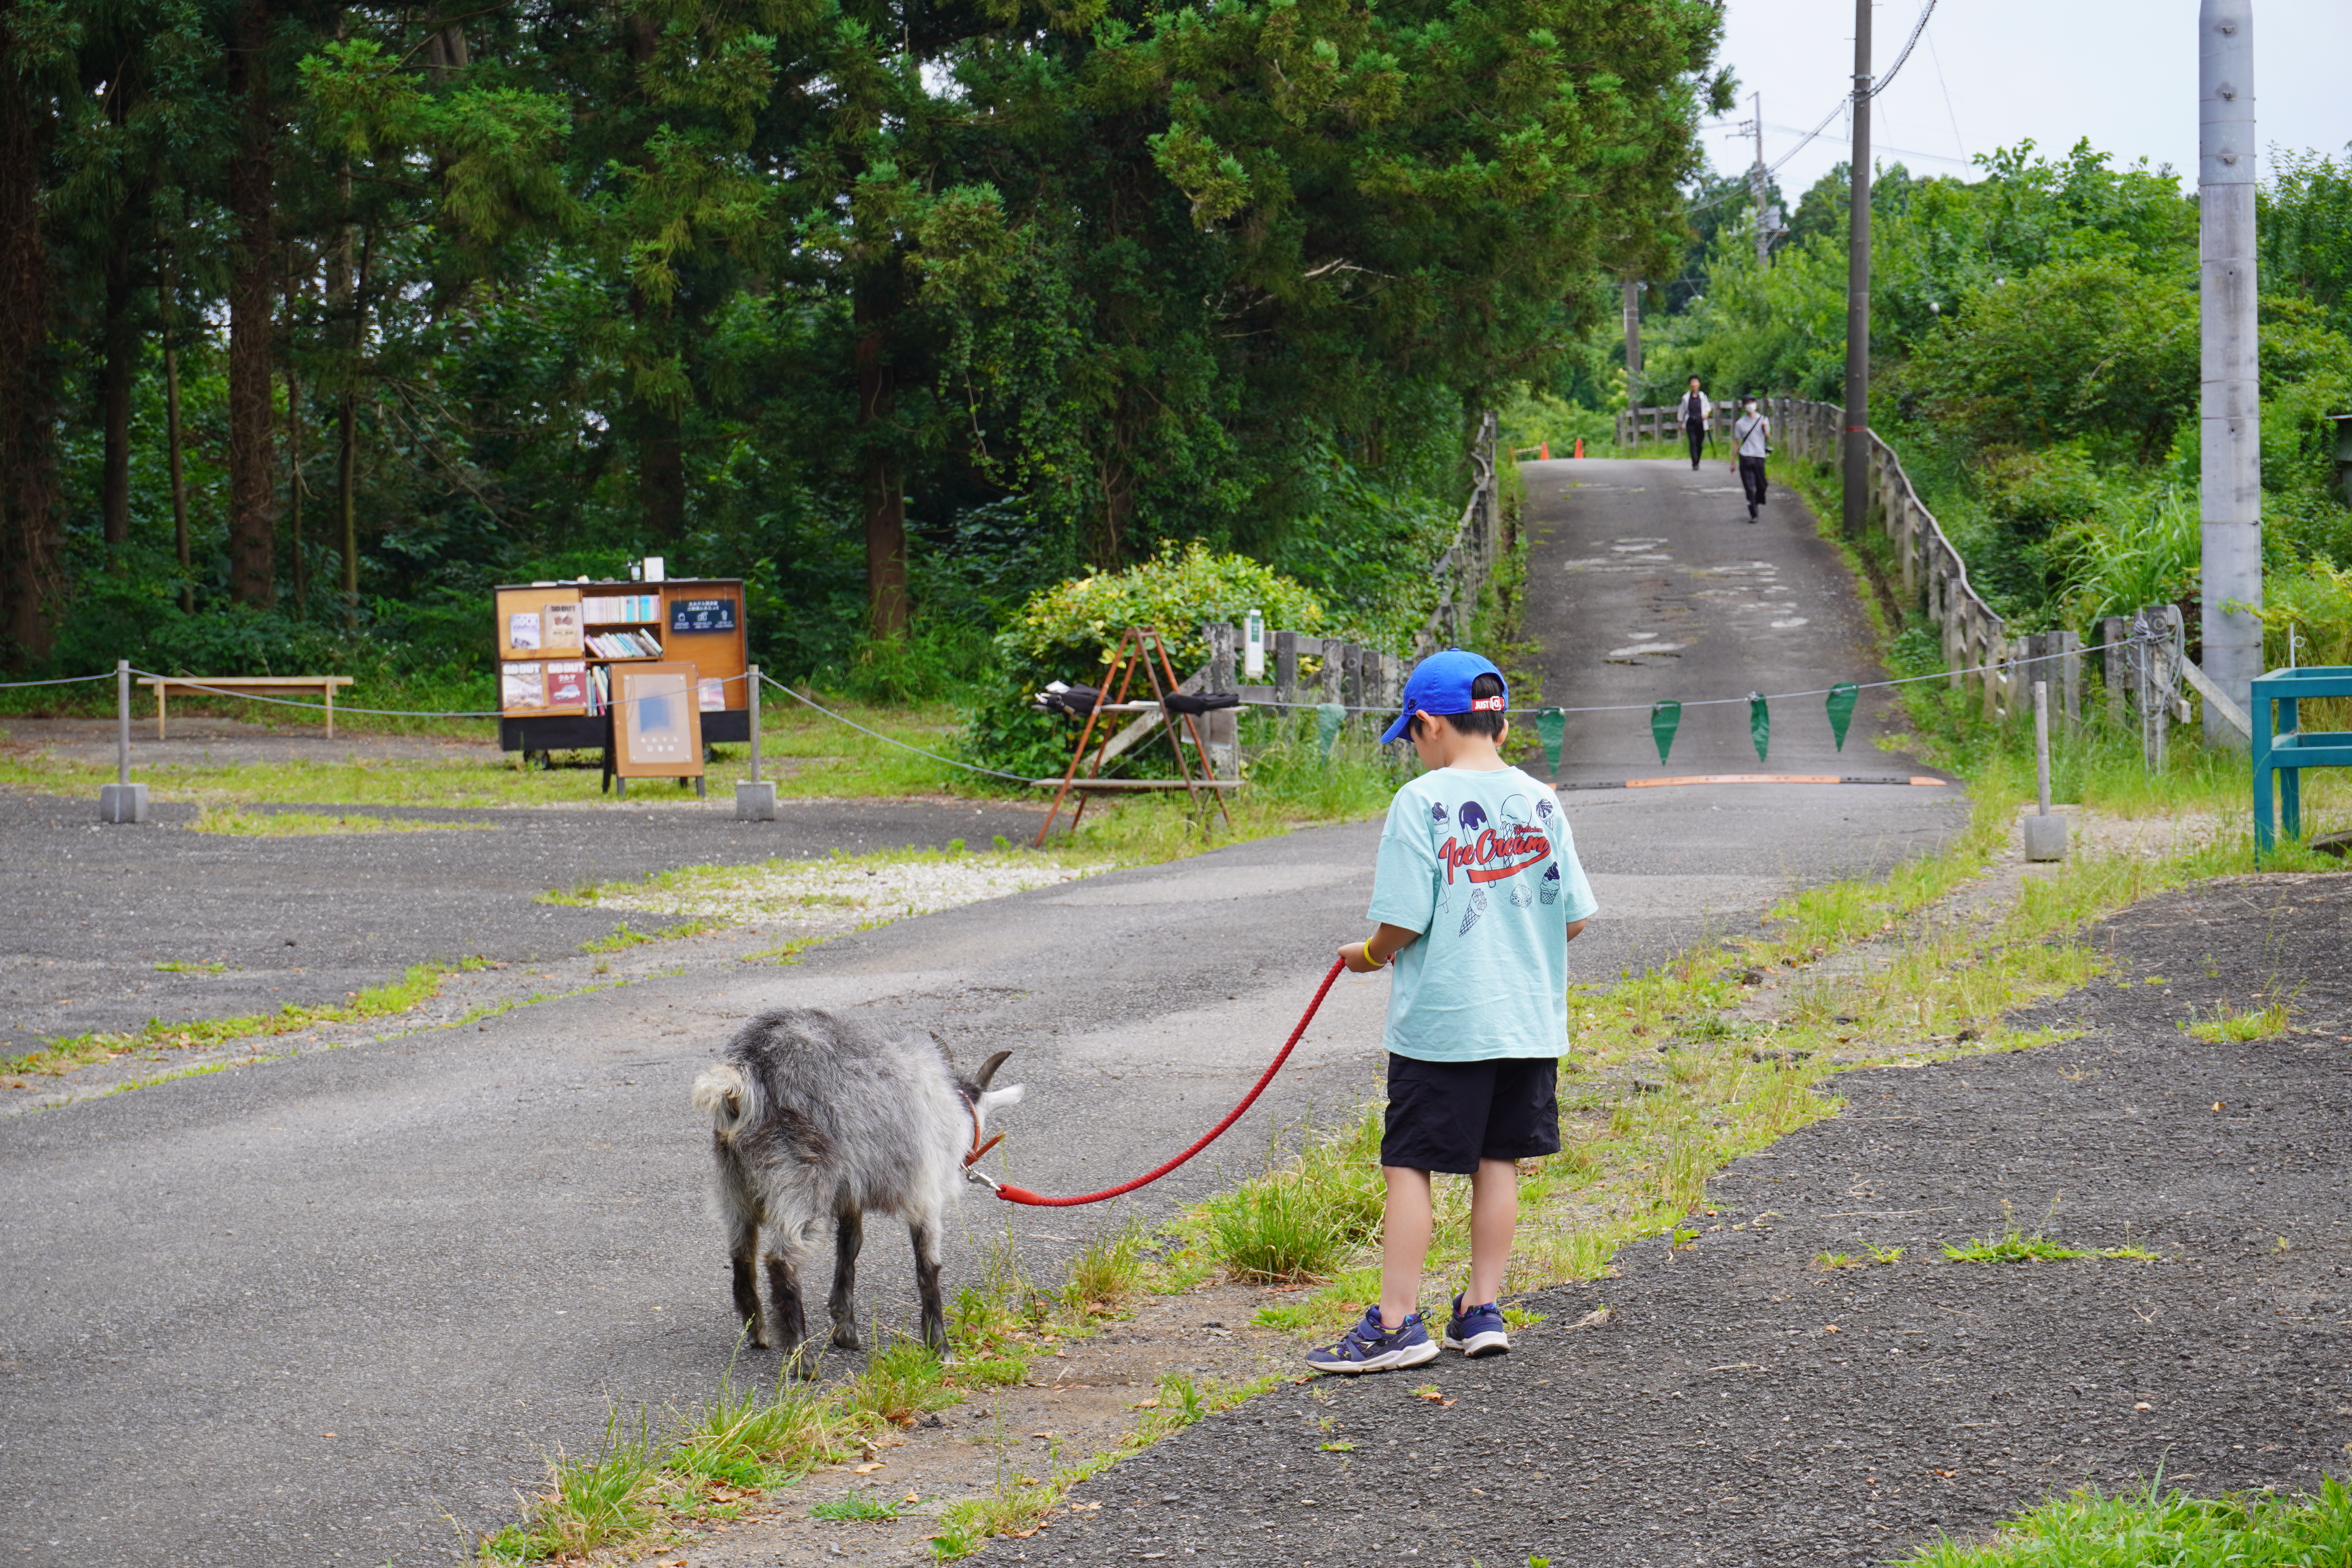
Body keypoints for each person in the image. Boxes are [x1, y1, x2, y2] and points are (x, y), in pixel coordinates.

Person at [1305, 650, 1597, 1374]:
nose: (1415, 748)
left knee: (1410, 1163)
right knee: (1499, 1161)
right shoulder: (1541, 799)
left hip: (1445, 1024)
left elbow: (1404, 921)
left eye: (1412, 735)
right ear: (1500, 725)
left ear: (1430, 725)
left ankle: (1396, 1324)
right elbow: (1573, 918)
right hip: (1527, 1024)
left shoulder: (1421, 800)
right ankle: (1481, 1309)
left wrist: (1368, 955)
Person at [1733, 395, 1771, 522]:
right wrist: (1733, 461)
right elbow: (1737, 443)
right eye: (1747, 403)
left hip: (1759, 456)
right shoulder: (1740, 424)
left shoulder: (1763, 420)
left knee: (1762, 486)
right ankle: (1754, 514)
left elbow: (1767, 438)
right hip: (1745, 457)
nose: (1750, 405)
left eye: (1752, 402)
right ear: (1743, 407)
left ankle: (1757, 500)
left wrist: (1765, 429)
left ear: (1756, 404)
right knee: (1749, 487)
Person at [1678, 376, 1712, 470]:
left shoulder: (1702, 396)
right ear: (1690, 385)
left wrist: (1706, 413)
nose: (1694, 384)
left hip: (1701, 423)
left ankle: (1697, 461)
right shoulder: (1686, 398)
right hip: (1691, 423)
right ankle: (1695, 463)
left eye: (1696, 382)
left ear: (1699, 384)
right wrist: (1680, 422)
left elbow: (1708, 407)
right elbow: (1682, 410)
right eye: (1693, 383)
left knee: (1699, 444)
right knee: (1693, 442)